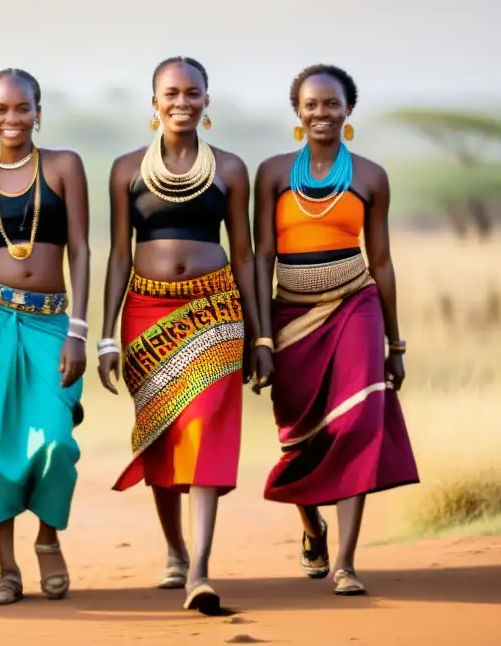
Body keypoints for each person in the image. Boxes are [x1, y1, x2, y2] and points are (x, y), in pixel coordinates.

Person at [98, 57, 266, 615]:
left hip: (215, 309)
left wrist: (260, 336)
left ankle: (199, 566)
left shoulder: (232, 169)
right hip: (146, 313)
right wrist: (105, 336)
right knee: (162, 435)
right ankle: (173, 550)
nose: (182, 102)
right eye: (171, 93)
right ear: (154, 101)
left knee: (204, 433)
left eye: (193, 93)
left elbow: (244, 256)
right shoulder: (125, 169)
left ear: (206, 100)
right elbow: (119, 254)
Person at [252, 64, 419, 596]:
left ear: (349, 110)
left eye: (332, 104)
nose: (321, 113)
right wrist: (260, 337)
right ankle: (312, 529)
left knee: (358, 425)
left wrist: (395, 343)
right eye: (311, 104)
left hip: (355, 305)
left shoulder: (370, 176)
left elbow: (384, 261)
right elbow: (260, 260)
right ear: (297, 112)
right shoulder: (274, 173)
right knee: (298, 437)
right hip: (291, 317)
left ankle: (346, 562)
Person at [0, 68, 90, 605]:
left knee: (55, 440)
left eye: (22, 108)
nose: (13, 118)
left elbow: (81, 249)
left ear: (38, 110)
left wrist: (77, 329)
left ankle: (48, 537)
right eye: (1, 109)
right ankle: (7, 571)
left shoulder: (63, 166)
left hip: (51, 321)